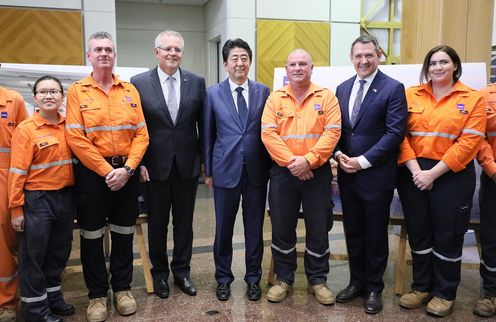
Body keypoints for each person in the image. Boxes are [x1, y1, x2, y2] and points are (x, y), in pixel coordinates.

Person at [65, 31, 149, 322]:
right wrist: (107, 171)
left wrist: (127, 170)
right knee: (91, 235)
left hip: (126, 173)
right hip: (92, 175)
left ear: (115, 56)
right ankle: (97, 295)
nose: (104, 53)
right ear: (89, 55)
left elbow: (142, 134)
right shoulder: (77, 91)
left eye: (109, 49)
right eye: (98, 49)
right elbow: (76, 137)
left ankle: (123, 289)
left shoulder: (129, 90)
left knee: (124, 232)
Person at [397, 45, 486, 317]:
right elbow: (400, 135)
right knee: (419, 231)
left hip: (451, 175)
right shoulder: (411, 94)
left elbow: (469, 142)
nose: (437, 67)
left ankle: (445, 292)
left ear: (455, 66)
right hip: (413, 171)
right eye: (433, 63)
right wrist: (416, 171)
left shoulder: (473, 98)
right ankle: (421, 287)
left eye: (443, 62)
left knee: (448, 234)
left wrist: (432, 173)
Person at [334, 34, 407, 314]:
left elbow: (394, 134)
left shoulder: (392, 88)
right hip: (347, 174)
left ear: (379, 55)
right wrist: (339, 155)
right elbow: (337, 129)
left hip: (375, 176)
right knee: (352, 231)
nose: (363, 60)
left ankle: (375, 287)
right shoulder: (341, 88)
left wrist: (363, 161)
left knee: (376, 233)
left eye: (369, 55)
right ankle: (357, 282)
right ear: (351, 58)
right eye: (358, 56)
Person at [261, 49, 341, 305]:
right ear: (286, 69)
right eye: (293, 64)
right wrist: (293, 163)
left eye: (303, 64)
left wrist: (307, 161)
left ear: (311, 67)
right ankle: (284, 278)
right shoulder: (275, 99)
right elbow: (268, 134)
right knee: (282, 227)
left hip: (316, 174)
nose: (298, 68)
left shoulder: (326, 97)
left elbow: (332, 134)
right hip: (283, 174)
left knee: (318, 228)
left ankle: (318, 279)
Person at [130, 30, 205, 299]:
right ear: (156, 52)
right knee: (158, 223)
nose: (173, 54)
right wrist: (136, 163)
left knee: (184, 223)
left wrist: (204, 162)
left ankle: (182, 272)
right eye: (167, 49)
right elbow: (133, 127)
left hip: (187, 165)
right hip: (153, 167)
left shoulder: (196, 82)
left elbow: (203, 125)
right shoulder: (138, 83)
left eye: (177, 49)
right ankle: (160, 273)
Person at [203, 38, 271, 301]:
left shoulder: (264, 92)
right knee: (224, 230)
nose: (240, 62)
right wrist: (208, 171)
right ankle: (223, 278)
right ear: (225, 63)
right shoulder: (212, 94)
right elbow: (207, 134)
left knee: (254, 229)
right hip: (224, 170)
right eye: (234, 58)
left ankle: (253, 279)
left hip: (256, 171)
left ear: (250, 61)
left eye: (244, 57)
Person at [8, 76, 75, 322]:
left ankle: (54, 299)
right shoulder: (26, 129)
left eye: (54, 91)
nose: (49, 96)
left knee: (58, 252)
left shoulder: (69, 125)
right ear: (34, 98)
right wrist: (16, 209)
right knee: (33, 257)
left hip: (65, 198)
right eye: (43, 92)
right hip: (37, 201)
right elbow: (17, 172)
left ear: (62, 96)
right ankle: (35, 311)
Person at [0, 85, 28, 322]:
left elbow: (27, 140)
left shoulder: (12, 100)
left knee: (8, 238)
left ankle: (7, 301)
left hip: (8, 177)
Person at [474, 83, 496, 318]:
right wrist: (492, 169)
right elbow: (479, 137)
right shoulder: (485, 95)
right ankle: (491, 292)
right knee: (492, 237)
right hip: (494, 179)